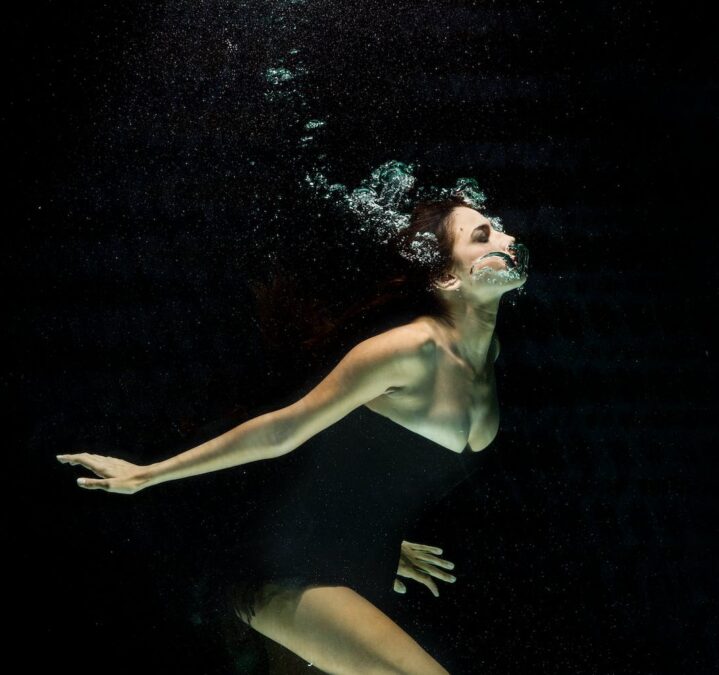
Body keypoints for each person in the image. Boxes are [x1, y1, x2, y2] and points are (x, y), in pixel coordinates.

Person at [57, 196, 530, 675]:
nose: (507, 241)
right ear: (446, 276)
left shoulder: (487, 360)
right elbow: (284, 430)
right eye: (482, 235)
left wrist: (370, 527)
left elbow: (368, 458)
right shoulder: (408, 350)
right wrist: (148, 474)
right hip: (287, 568)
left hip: (364, 559)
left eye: (501, 230)